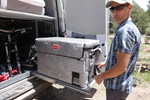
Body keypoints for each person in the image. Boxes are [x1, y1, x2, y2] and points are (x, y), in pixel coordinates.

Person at [94, 0, 141, 100]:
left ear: (130, 7)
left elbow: (121, 67)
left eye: (119, 8)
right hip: (120, 86)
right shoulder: (128, 28)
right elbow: (123, 58)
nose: (114, 13)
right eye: (112, 9)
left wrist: (101, 76)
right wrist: (106, 63)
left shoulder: (125, 31)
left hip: (116, 87)